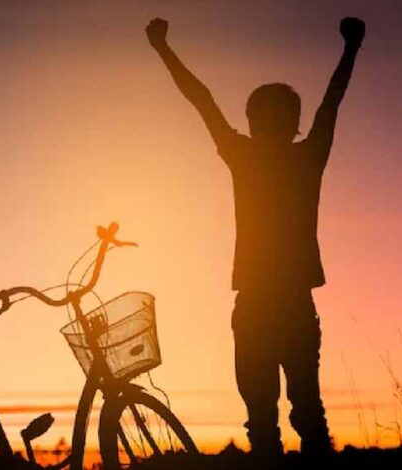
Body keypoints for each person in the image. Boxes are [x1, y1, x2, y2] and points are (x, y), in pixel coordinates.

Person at [146, 16, 365, 461]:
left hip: (263, 306)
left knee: (270, 420)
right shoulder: (304, 157)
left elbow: (204, 101)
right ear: (293, 123)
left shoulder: (248, 156)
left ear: (255, 122)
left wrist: (163, 48)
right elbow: (331, 101)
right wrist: (350, 47)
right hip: (287, 305)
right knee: (301, 413)